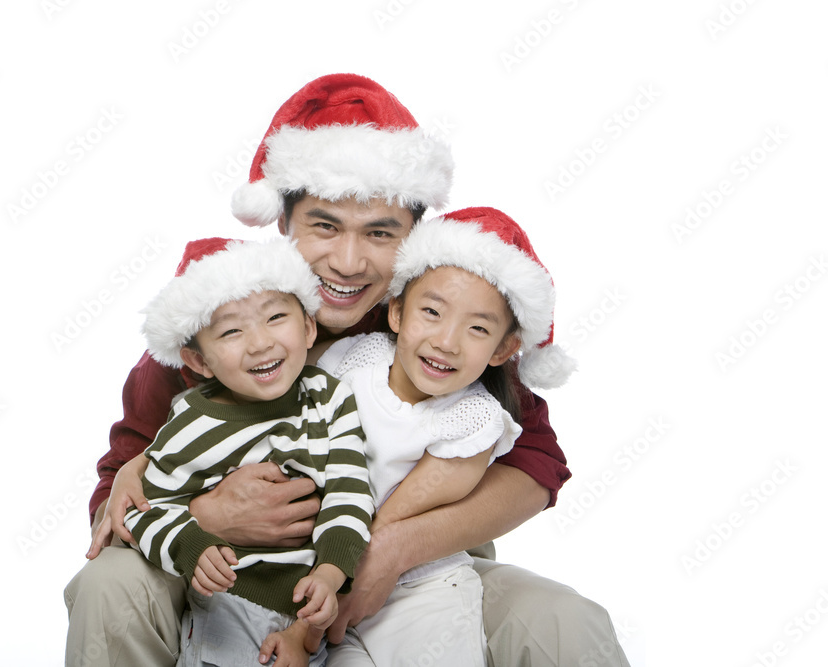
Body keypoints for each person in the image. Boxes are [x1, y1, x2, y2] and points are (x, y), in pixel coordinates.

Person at [65, 73, 630, 667]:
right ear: (284, 224)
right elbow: (113, 507)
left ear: (413, 237)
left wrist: (389, 545)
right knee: (110, 585)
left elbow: (537, 466)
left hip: (417, 579)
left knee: (564, 621)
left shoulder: (436, 330)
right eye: (325, 226)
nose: (349, 261)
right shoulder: (214, 328)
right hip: (232, 578)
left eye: (380, 233)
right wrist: (210, 515)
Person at [310, 206, 574, 664]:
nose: (447, 341)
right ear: (396, 312)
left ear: (504, 349)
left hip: (422, 585)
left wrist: (349, 564)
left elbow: (398, 516)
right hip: (322, 567)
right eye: (431, 312)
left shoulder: (475, 417)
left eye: (477, 329)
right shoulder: (353, 358)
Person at [124, 236, 375, 666]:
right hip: (230, 606)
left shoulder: (331, 399)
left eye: (276, 317)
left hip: (321, 607)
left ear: (309, 326)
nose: (259, 344)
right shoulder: (190, 424)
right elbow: (145, 511)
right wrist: (191, 544)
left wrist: (331, 574)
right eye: (231, 331)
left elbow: (350, 494)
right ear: (200, 361)